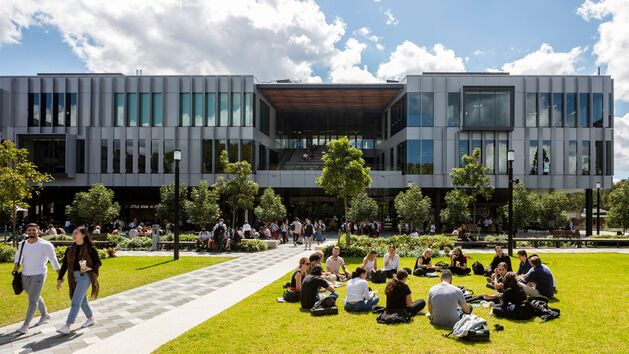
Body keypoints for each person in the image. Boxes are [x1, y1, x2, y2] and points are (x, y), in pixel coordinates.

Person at [12, 223, 61, 334]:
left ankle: (25, 325)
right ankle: (45, 315)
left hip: (39, 274)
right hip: (25, 274)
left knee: (32, 300)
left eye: (34, 230)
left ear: (38, 231)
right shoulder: (22, 244)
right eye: (29, 230)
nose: (31, 232)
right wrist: (16, 264)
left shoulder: (46, 245)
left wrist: (60, 274)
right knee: (34, 296)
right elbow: (18, 255)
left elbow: (53, 260)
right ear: (26, 231)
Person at [56, 227, 102, 334]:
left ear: (83, 235)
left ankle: (67, 325)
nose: (73, 234)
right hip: (73, 276)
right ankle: (91, 319)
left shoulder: (90, 248)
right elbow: (65, 265)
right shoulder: (70, 249)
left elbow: (98, 263)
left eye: (76, 233)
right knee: (83, 300)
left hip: (86, 276)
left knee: (75, 301)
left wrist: (90, 268)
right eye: (73, 233)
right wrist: (59, 278)